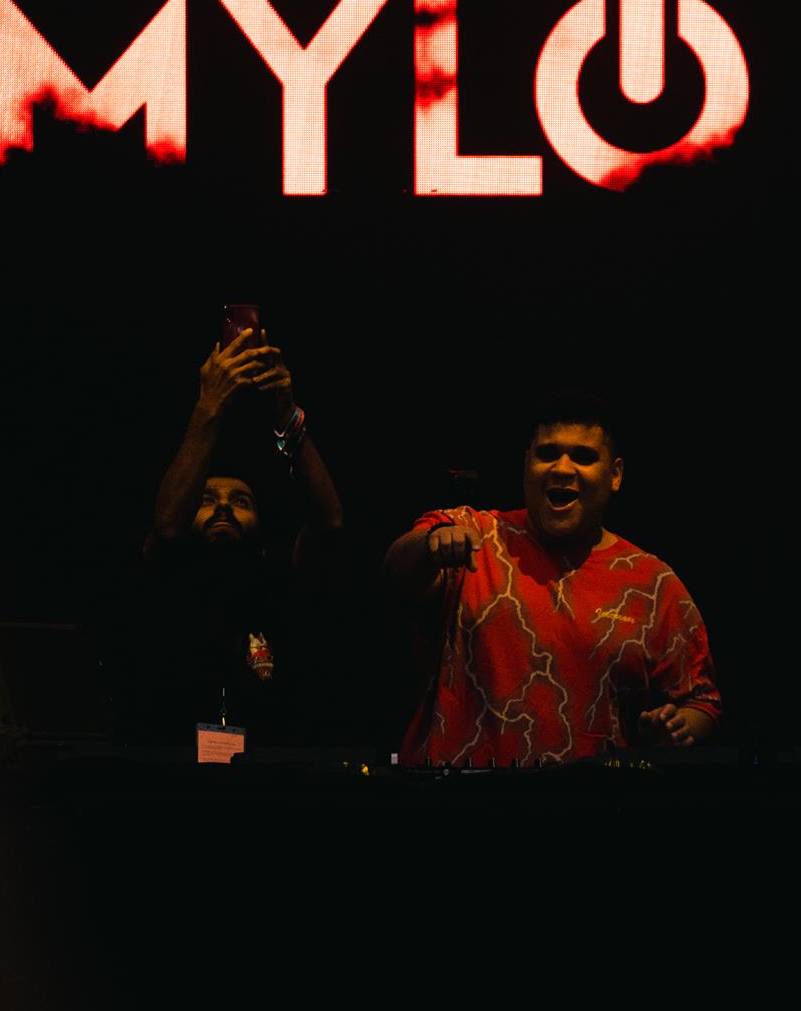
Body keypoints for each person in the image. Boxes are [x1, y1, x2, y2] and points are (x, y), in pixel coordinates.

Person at [384, 391, 720, 765]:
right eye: (547, 454)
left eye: (584, 457)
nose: (561, 468)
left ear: (615, 475)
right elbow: (397, 571)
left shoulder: (653, 583)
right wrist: (431, 544)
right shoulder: (475, 533)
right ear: (526, 463)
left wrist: (677, 728)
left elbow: (702, 703)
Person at [121, 325, 342, 747]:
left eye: (240, 501)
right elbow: (168, 528)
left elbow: (328, 522)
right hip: (167, 763)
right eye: (207, 499)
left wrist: (287, 415)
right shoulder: (165, 574)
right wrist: (210, 404)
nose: (223, 508)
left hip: (268, 766)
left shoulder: (276, 583)